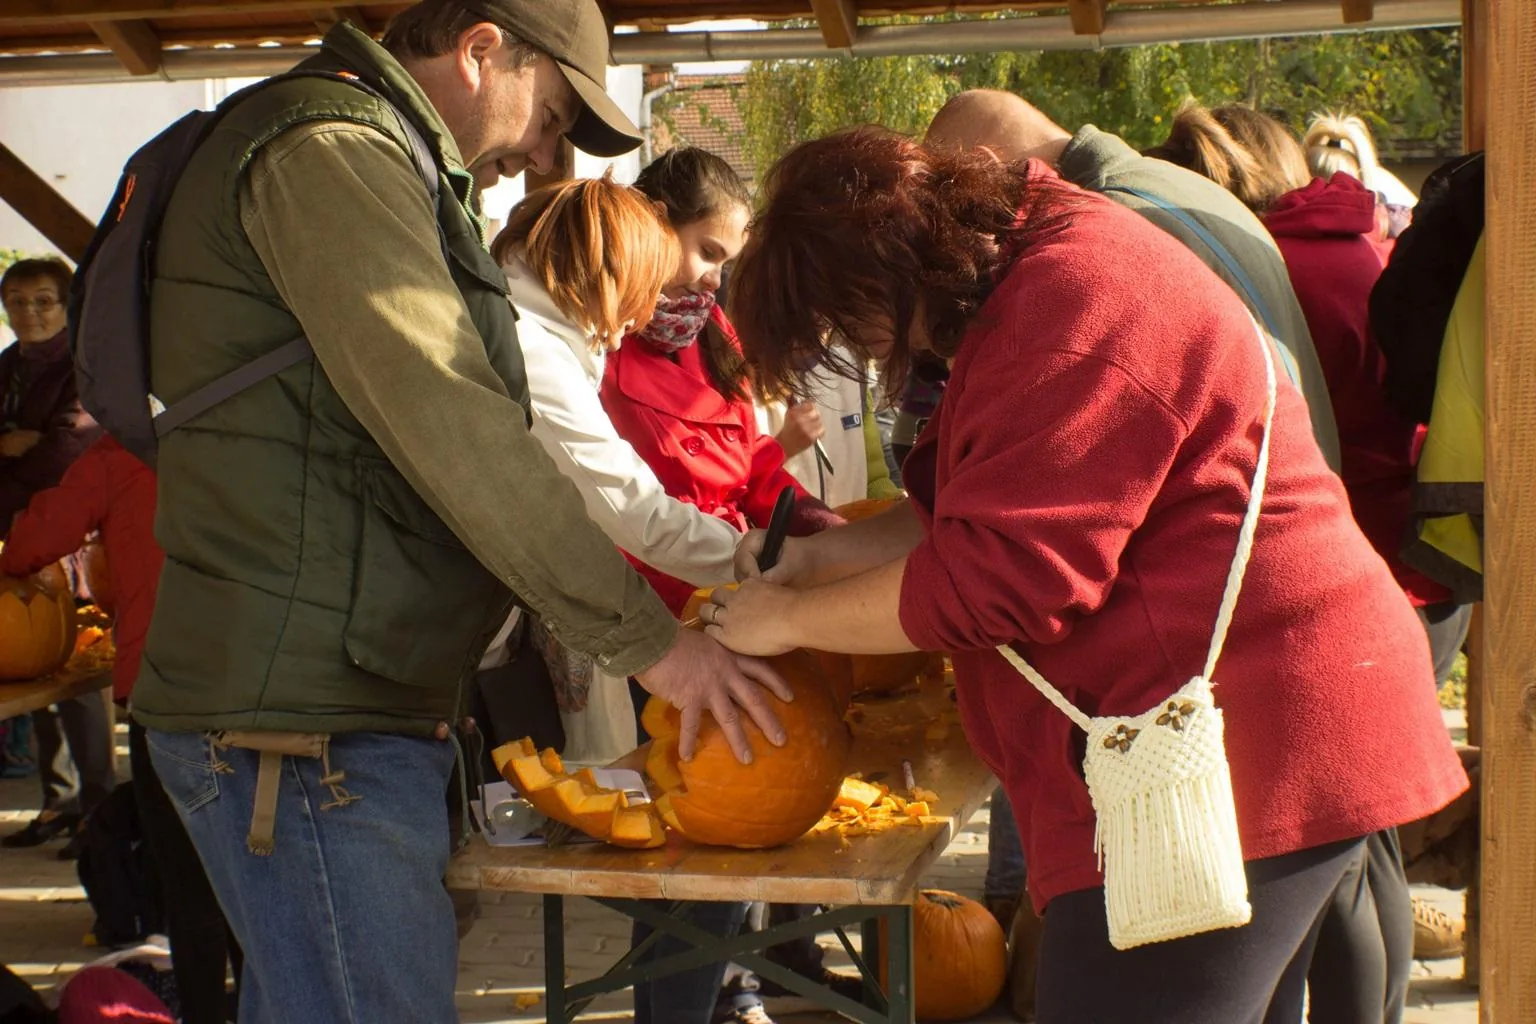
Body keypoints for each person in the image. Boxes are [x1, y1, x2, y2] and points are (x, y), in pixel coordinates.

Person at [711, 127, 1468, 1024]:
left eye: (849, 323)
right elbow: (989, 504)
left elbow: (1002, 577)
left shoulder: (1067, 302)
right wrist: (811, 561)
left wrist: (785, 622)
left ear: (879, 273)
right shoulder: (1037, 269)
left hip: (1255, 748)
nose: (866, 349)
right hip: (1238, 736)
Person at [129, 5, 790, 1022]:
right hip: (299, 723)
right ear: (484, 51)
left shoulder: (382, 157)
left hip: (330, 705)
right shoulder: (332, 152)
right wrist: (653, 643)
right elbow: (459, 426)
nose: (540, 149)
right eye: (550, 111)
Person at [922, 88, 1348, 1004]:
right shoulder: (1138, 205)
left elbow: (1023, 565)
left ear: (992, 180)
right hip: (1267, 670)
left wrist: (794, 604)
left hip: (1239, 699)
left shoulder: (1094, 244)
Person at [1158, 105, 1471, 1006]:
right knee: (1363, 851)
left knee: (1336, 861)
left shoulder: (1265, 266)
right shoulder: (1351, 239)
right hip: (1412, 557)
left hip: (1363, 568)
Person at [603, 147, 845, 1024]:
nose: (712, 278)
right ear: (650, 227)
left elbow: (749, 471)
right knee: (696, 837)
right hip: (652, 635)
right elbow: (616, 510)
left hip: (742, 611)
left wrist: (809, 524)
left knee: (753, 819)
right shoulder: (595, 348)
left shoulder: (717, 341)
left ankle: (747, 982)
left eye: (724, 262)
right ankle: (684, 1005)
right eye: (705, 251)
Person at [0, 434, 241, 1024]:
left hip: (167, 690)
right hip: (259, 685)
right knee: (255, 881)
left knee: (189, 888)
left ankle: (210, 1012)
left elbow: (31, 544)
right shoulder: (243, 436)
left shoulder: (117, 455)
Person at [0, 256, 110, 858]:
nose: (30, 312)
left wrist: (19, 452)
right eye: (17, 300)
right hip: (14, 539)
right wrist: (13, 445)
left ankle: (96, 806)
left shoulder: (81, 368)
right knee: (28, 669)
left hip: (67, 542)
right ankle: (58, 799)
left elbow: (68, 455)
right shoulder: (6, 367)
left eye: (43, 299)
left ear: (66, 306)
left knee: (77, 673)